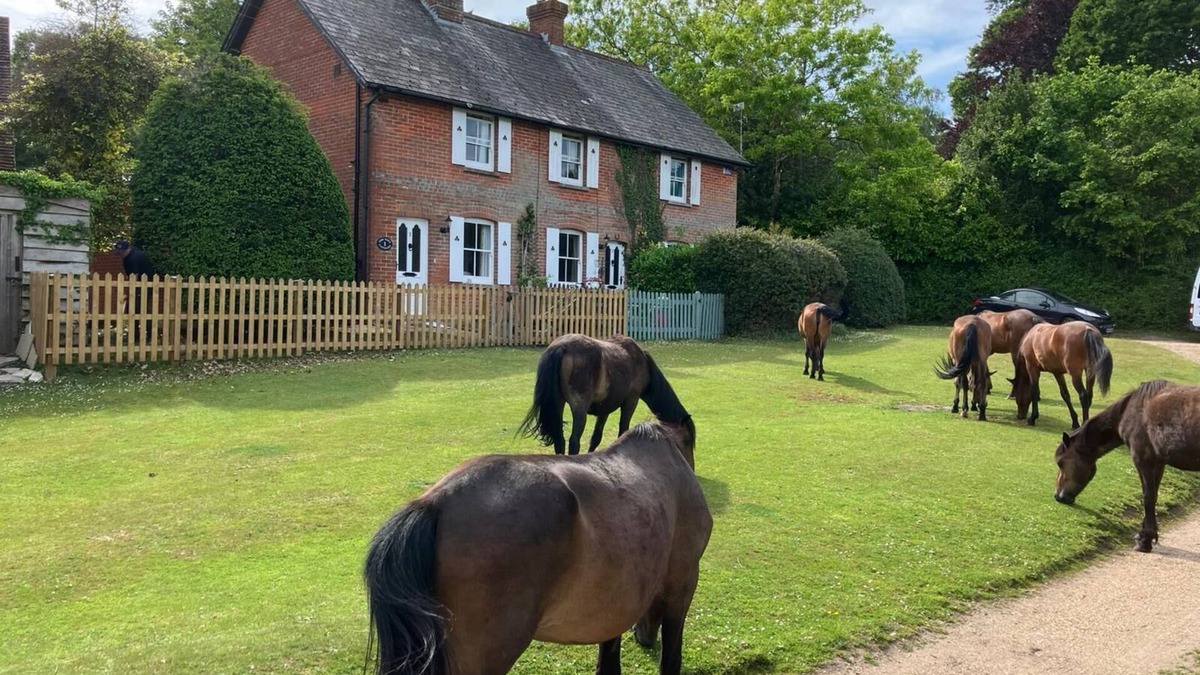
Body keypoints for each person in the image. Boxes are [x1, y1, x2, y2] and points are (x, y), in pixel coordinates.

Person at [113, 240, 154, 318]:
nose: (121, 254)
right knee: (133, 308)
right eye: (119, 252)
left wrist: (128, 293)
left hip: (144, 285)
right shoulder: (127, 257)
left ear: (128, 249)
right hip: (139, 284)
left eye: (122, 252)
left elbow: (134, 277)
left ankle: (147, 330)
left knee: (139, 308)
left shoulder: (133, 258)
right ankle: (134, 329)